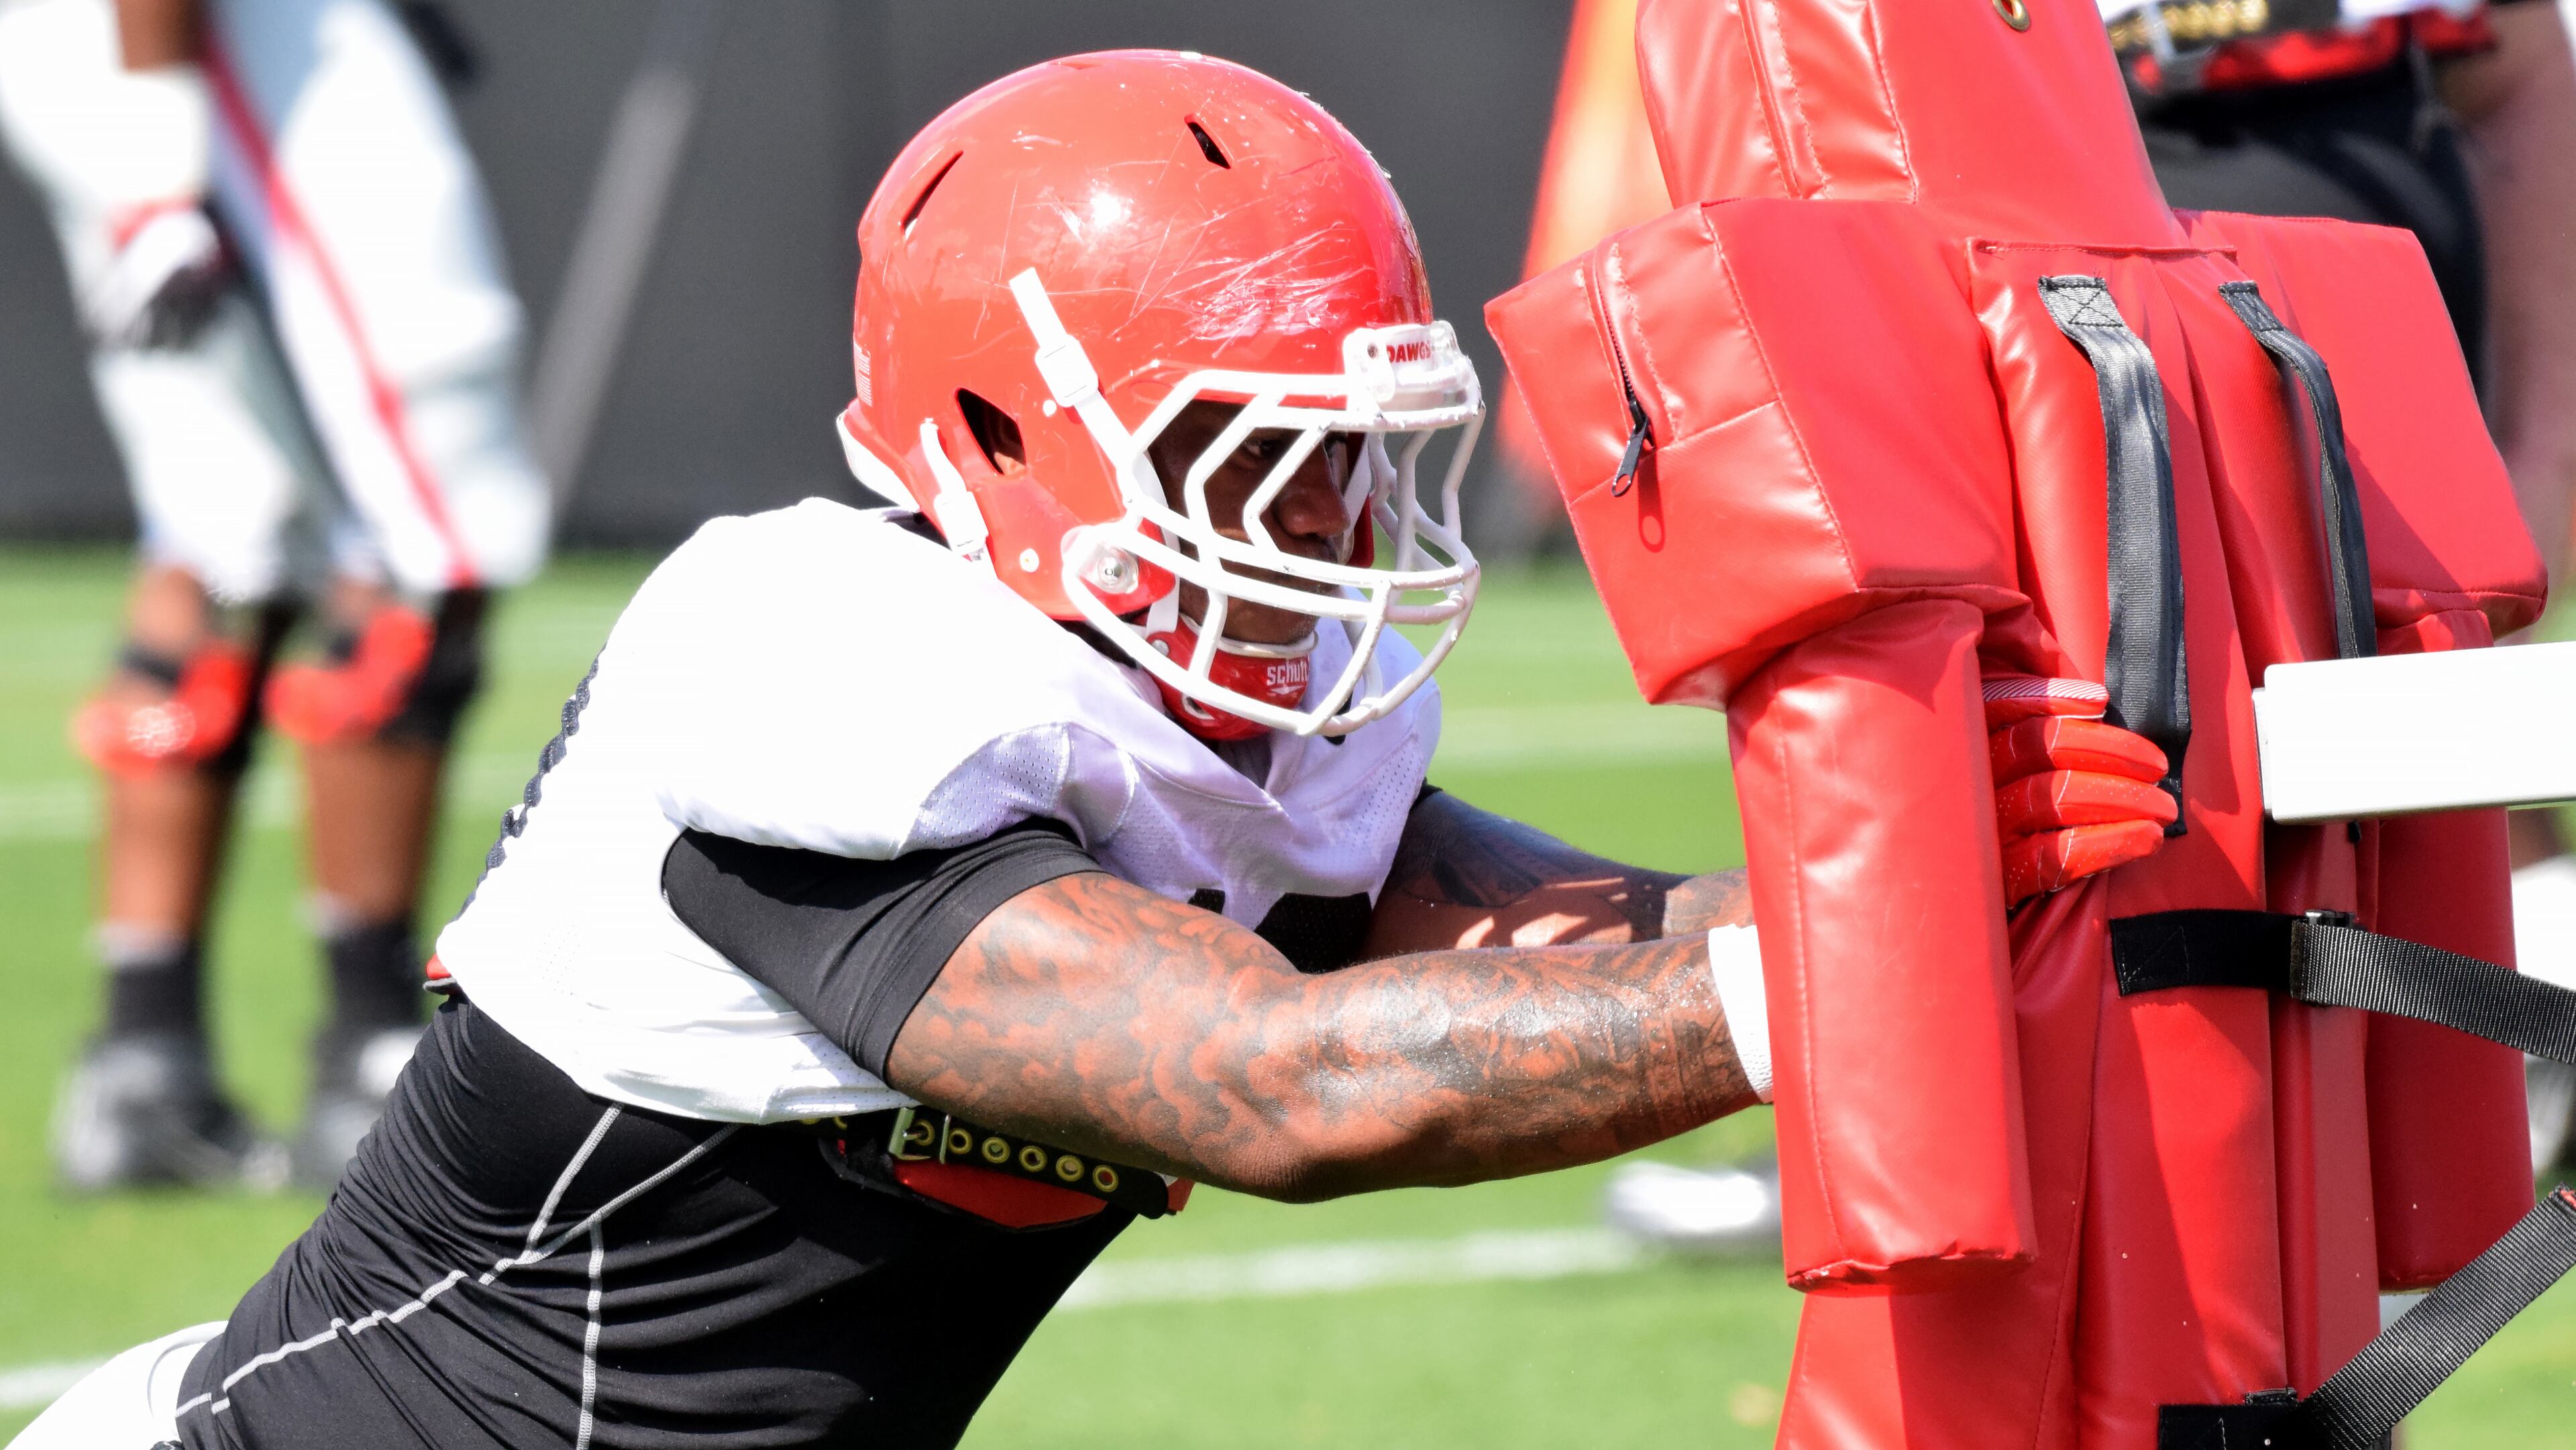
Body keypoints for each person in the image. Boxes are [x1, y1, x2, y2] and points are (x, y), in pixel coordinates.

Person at [7, 51, 2174, 1450]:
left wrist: (1918, 867)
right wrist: (1833, 978)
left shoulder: (1196, 698)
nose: (1334, 537)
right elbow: (1296, 1084)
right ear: (993, 434)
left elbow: (1567, 948)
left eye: (1358, 465)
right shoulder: (821, 670)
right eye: (1261, 460)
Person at [0, 0, 547, 1191]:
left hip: (138, 45)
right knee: (429, 494)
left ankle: (144, 1060)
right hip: (209, 34)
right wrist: (155, 154)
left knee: (232, 517)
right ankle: (367, 1057)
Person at [2103, 0, 2576, 1175]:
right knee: (2127, 733)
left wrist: (2548, 441)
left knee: (2425, 688)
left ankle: (2515, 1036)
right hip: (2062, 191)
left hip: (2357, 189)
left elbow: (2514, 59)